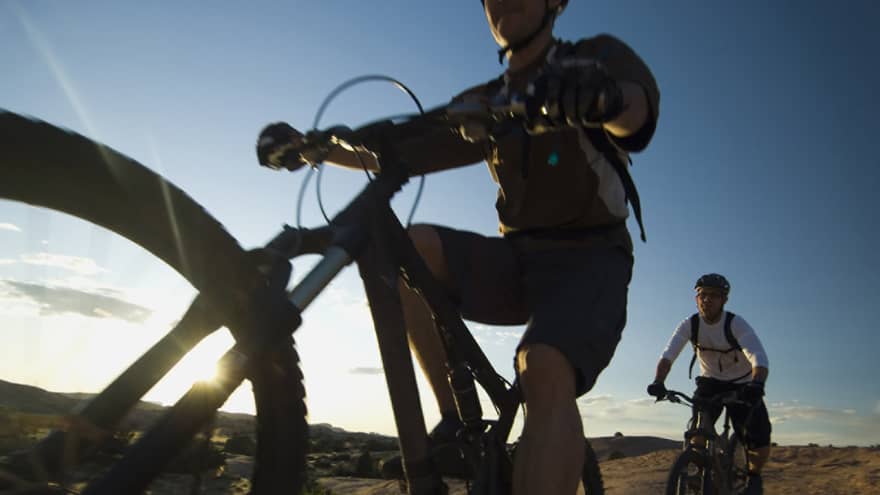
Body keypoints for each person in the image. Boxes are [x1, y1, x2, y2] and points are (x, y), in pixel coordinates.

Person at [257, 1, 659, 493]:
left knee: (544, 366)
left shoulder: (593, 57)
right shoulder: (487, 100)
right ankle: (454, 424)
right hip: (515, 259)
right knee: (411, 247)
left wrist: (599, 99)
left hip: (591, 257)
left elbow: (635, 112)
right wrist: (315, 148)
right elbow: (399, 150)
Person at [648, 273, 771, 495]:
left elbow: (758, 357)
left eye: (714, 295)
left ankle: (753, 477)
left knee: (758, 440)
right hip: (710, 382)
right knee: (697, 433)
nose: (707, 300)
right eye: (702, 295)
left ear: (724, 300)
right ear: (696, 299)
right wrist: (658, 381)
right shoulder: (690, 324)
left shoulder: (735, 324)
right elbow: (668, 356)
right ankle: (698, 471)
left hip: (743, 384)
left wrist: (757, 383)